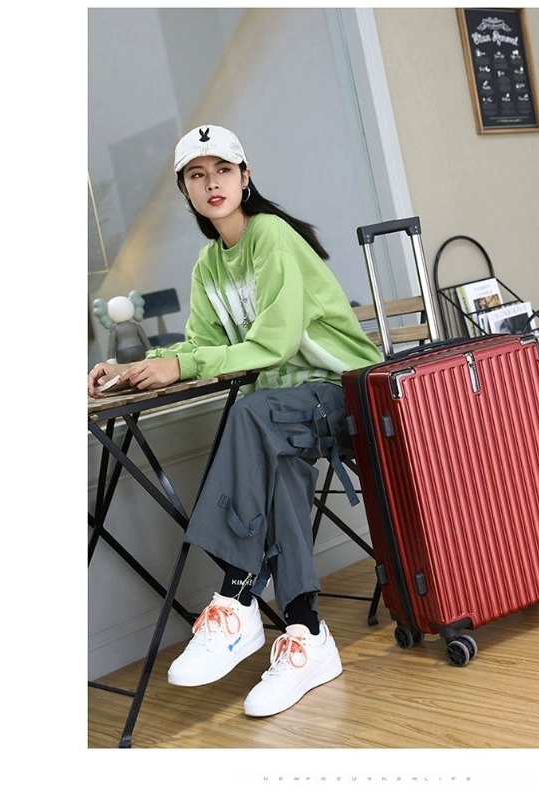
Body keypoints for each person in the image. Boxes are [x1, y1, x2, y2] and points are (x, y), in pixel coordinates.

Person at [88, 123, 382, 717]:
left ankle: (237, 593)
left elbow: (272, 346)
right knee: (277, 457)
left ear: (245, 177)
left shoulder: (272, 236)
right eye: (197, 176)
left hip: (345, 394)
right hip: (282, 418)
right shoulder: (207, 266)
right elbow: (202, 347)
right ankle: (306, 633)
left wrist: (180, 363)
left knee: (253, 415)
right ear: (185, 191)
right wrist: (138, 366)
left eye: (222, 170)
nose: (211, 183)